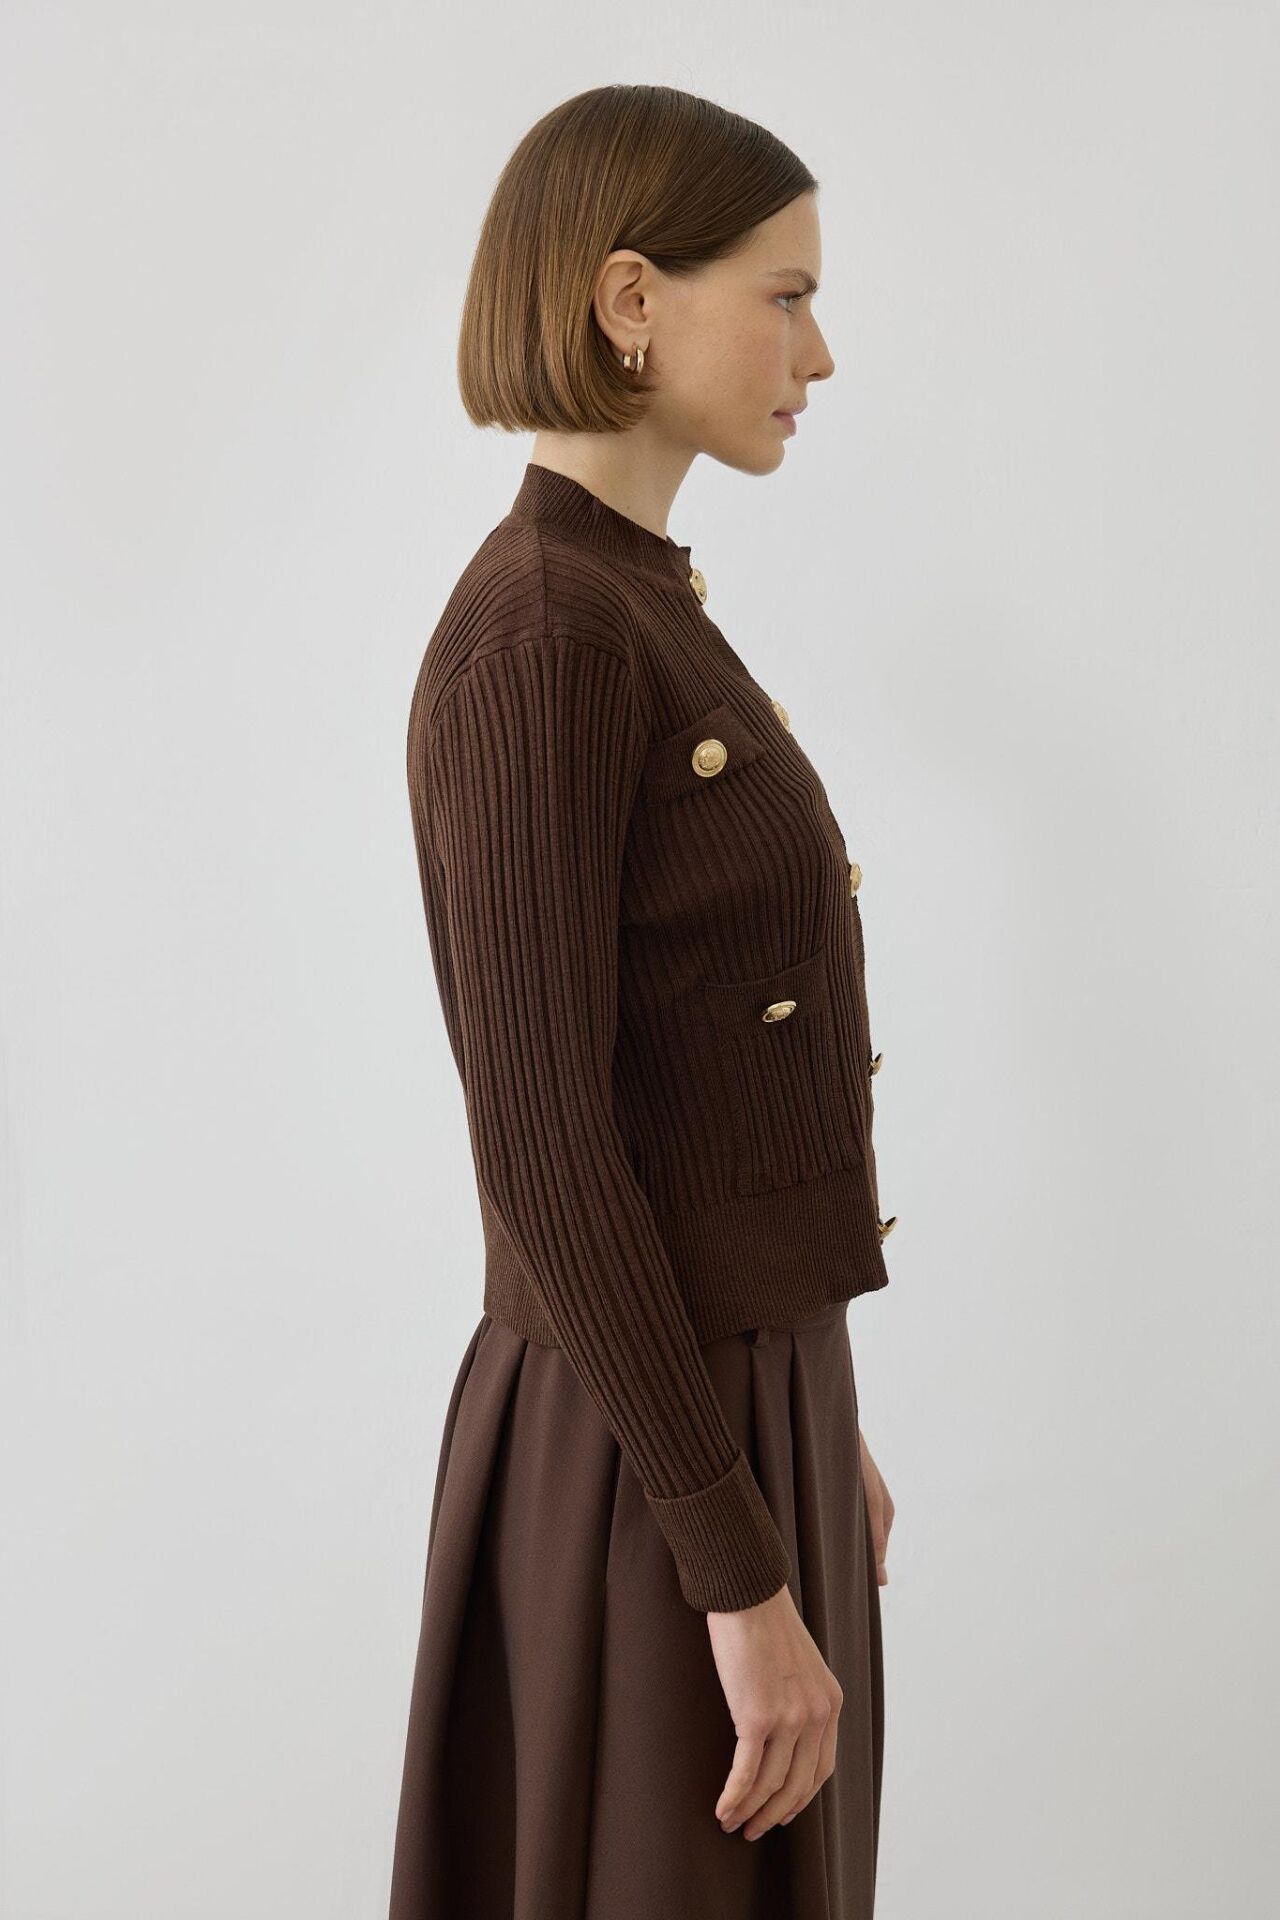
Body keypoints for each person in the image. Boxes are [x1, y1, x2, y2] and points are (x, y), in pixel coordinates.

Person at [388, 82, 897, 1920]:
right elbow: (543, 1143)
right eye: (786, 295)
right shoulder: (547, 635)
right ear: (628, 301)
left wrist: (811, 1426)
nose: (818, 353)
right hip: (635, 1466)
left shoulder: (635, 604)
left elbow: (690, 1071)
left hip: (722, 1415)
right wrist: (731, 1564)